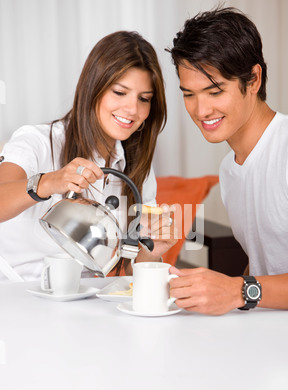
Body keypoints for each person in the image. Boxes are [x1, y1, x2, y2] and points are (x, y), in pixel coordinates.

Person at [0, 31, 176, 282]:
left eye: (144, 99)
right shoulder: (37, 141)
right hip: (13, 292)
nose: (132, 109)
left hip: (82, 299)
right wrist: (49, 182)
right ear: (93, 88)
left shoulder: (137, 170)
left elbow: (124, 275)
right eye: (119, 92)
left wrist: (152, 252)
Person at [167, 7, 288, 315]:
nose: (201, 110)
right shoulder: (230, 170)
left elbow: (248, 288)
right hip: (271, 334)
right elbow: (265, 264)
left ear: (253, 80)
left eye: (215, 91)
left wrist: (238, 291)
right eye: (189, 94)